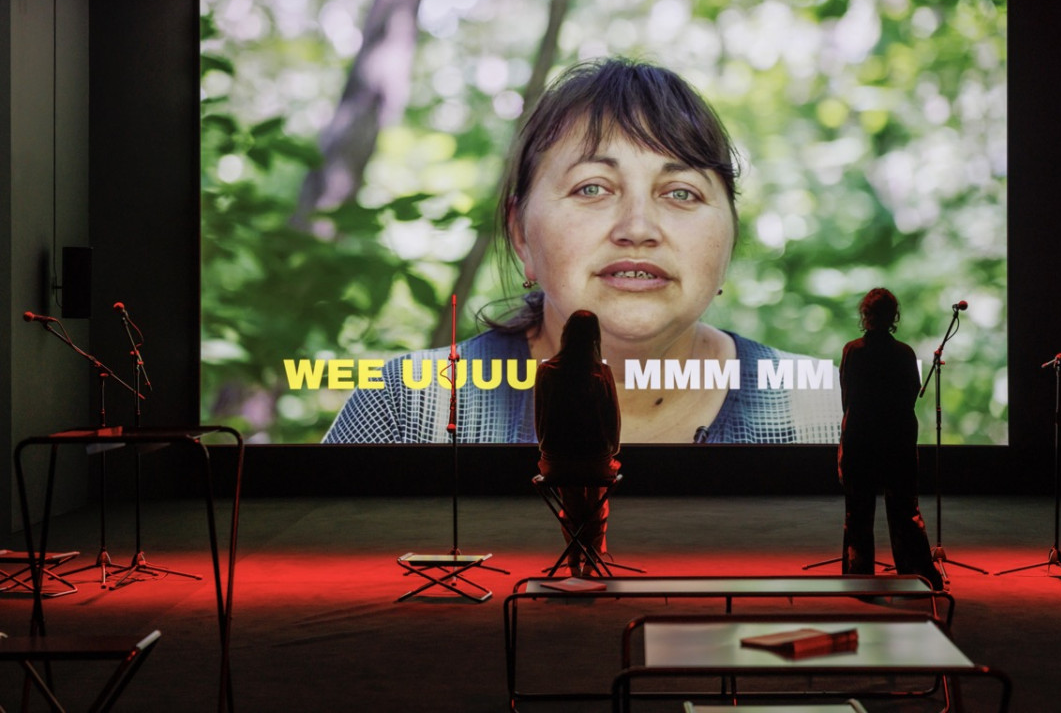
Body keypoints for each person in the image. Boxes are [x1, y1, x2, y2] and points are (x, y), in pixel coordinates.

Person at [324, 57, 841, 444]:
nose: (638, 229)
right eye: (592, 188)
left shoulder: (822, 410)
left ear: (729, 236)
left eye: (681, 192)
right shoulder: (412, 409)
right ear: (521, 234)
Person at [838, 287, 943, 590]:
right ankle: (918, 575)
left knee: (858, 513)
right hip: (897, 441)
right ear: (894, 317)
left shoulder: (853, 351)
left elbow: (848, 401)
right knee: (905, 513)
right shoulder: (905, 353)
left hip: (861, 440)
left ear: (865, 315)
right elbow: (910, 396)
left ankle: (859, 579)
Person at [534, 309, 621, 576]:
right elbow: (612, 421)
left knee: (571, 504)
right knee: (597, 502)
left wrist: (549, 452)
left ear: (566, 335)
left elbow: (540, 421)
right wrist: (611, 453)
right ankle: (591, 561)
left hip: (557, 463)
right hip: (596, 462)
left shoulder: (547, 371)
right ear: (595, 338)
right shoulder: (601, 372)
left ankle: (573, 560)